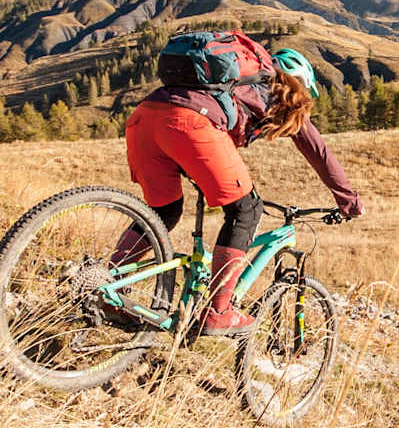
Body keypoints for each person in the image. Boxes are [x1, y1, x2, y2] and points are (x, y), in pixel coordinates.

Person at [111, 46, 363, 336]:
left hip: (144, 117)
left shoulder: (233, 83)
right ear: (300, 84)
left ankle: (107, 283)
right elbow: (320, 153)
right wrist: (349, 201)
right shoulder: (277, 92)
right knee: (247, 209)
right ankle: (219, 310)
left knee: (165, 211)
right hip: (190, 122)